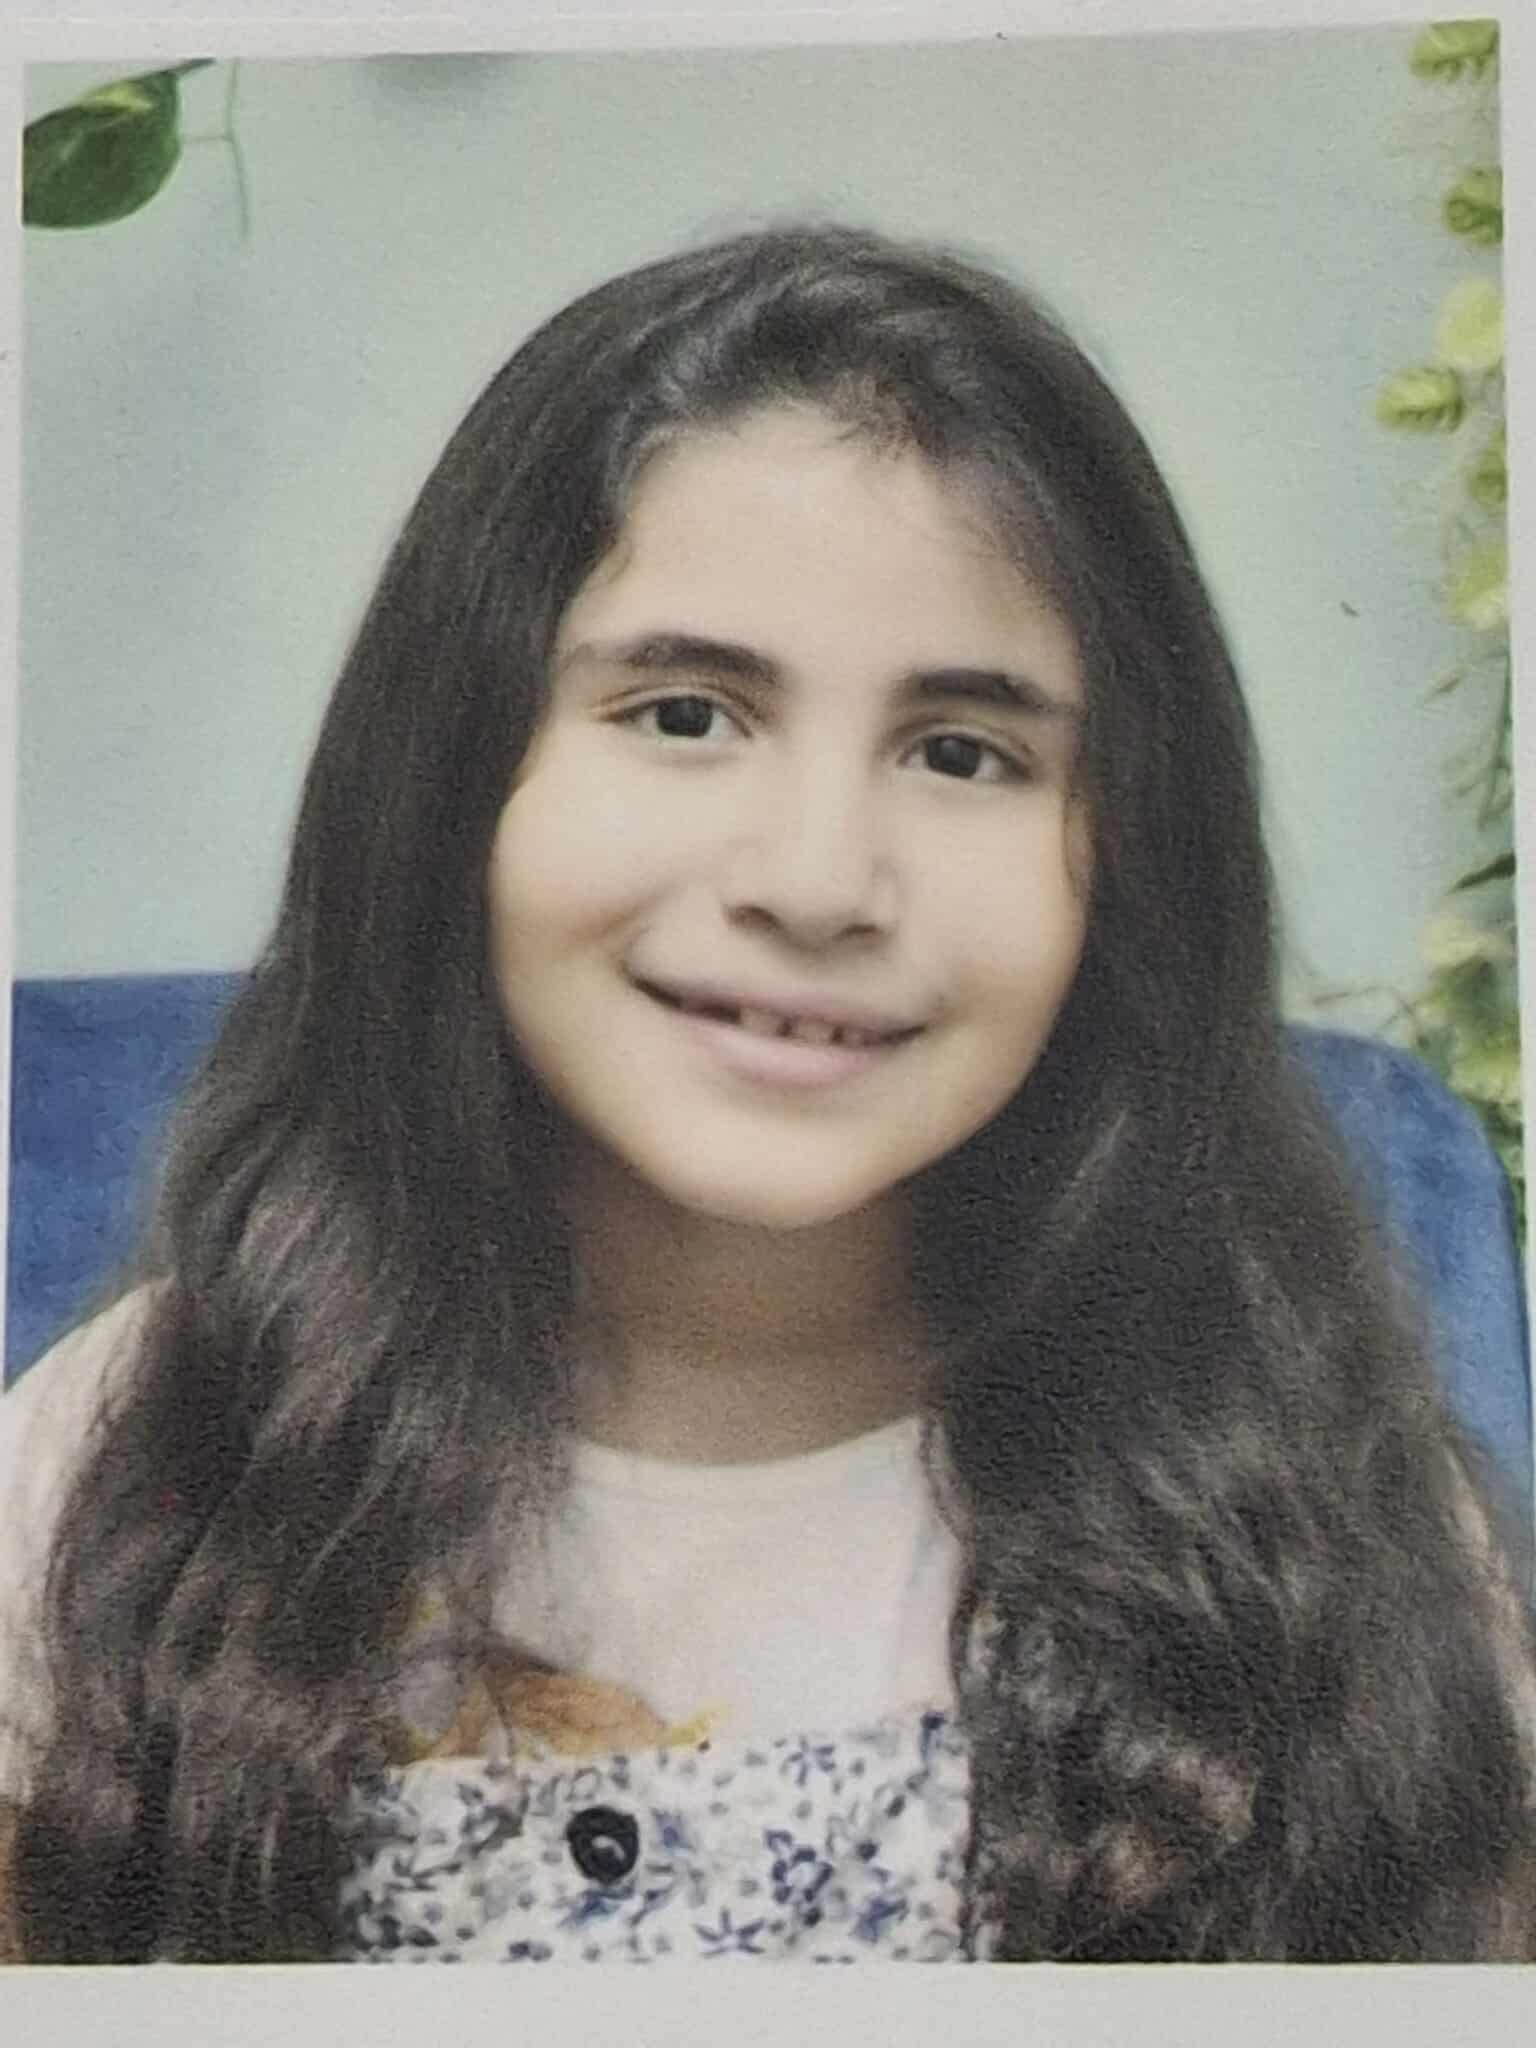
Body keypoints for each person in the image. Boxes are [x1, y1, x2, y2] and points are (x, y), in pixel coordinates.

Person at [1, 223, 1532, 1965]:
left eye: (963, 753)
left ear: (1129, 861)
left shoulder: (1319, 1497)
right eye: (684, 714)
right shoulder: (140, 1456)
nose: (816, 883)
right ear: (450, 773)